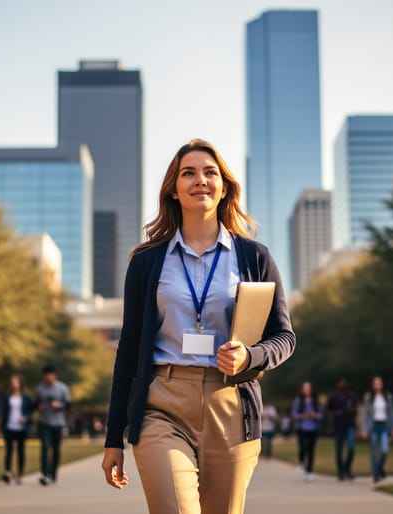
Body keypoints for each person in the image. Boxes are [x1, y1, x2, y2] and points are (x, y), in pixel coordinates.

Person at [100, 138, 295, 514]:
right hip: (163, 404)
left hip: (231, 406)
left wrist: (251, 356)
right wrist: (113, 438)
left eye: (210, 173)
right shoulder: (146, 261)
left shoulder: (255, 256)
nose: (200, 180)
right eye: (188, 173)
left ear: (224, 188)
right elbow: (128, 351)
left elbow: (284, 337)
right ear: (174, 189)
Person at [34, 364, 70, 485]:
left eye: (50, 375)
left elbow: (69, 405)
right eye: (45, 375)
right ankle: (44, 474)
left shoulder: (62, 388)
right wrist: (39, 406)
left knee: (55, 450)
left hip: (58, 423)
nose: (48, 377)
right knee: (44, 447)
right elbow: (35, 403)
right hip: (44, 422)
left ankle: (53, 474)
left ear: (54, 375)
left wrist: (59, 405)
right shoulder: (39, 388)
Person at [362, 376, 393, 483]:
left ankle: (379, 468)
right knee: (374, 452)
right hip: (373, 426)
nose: (377, 385)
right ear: (373, 385)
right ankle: (375, 474)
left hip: (384, 426)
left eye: (379, 383)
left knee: (385, 450)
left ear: (382, 385)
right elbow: (366, 414)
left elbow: (392, 412)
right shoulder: (369, 397)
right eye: (375, 384)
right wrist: (365, 429)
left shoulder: (388, 396)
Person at [1, 374, 32, 485]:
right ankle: (7, 472)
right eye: (12, 381)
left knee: (20, 451)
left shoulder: (26, 396)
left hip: (21, 427)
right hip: (10, 426)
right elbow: (4, 412)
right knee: (8, 450)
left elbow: (30, 411)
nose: (13, 383)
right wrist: (2, 426)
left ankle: (19, 474)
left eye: (15, 381)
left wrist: (26, 418)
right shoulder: (8, 396)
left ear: (20, 382)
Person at [327, 378, 358, 481]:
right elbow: (329, 409)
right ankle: (340, 472)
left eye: (344, 383)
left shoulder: (351, 396)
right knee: (339, 450)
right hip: (338, 426)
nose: (343, 385)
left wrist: (353, 413)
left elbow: (355, 409)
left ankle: (347, 469)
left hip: (349, 425)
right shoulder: (333, 396)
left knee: (351, 448)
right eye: (341, 383)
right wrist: (335, 413)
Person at [291, 382, 322, 482]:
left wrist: (315, 415)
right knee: (303, 447)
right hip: (302, 427)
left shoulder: (316, 401)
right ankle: (301, 462)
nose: (306, 390)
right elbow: (294, 414)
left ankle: (310, 471)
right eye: (305, 388)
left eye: (308, 388)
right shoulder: (298, 400)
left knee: (311, 450)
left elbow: (321, 415)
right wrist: (302, 416)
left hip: (313, 427)